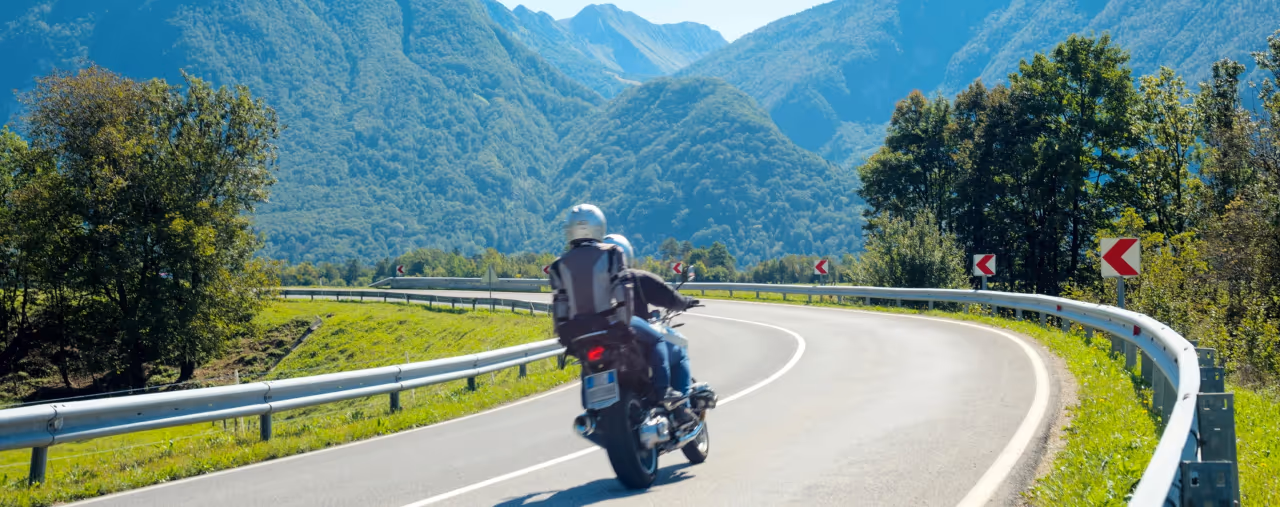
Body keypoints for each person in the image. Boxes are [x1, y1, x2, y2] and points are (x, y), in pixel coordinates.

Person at [603, 233, 699, 426]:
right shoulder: (636, 278)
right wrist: (685, 302)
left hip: (603, 340)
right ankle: (682, 409)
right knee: (679, 350)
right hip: (634, 338)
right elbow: (669, 297)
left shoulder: (593, 285)